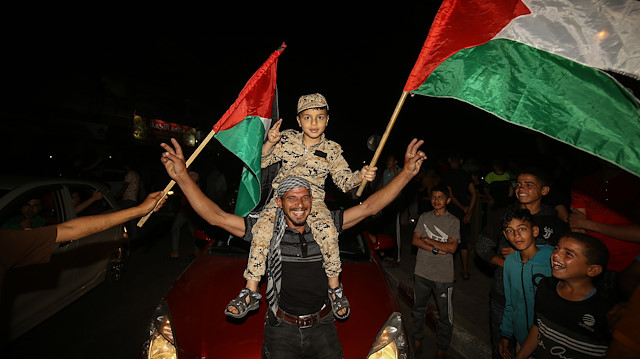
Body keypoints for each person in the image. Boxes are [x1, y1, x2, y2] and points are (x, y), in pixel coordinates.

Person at [159, 136, 426, 358]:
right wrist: (182, 177)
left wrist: (405, 174)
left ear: (312, 200)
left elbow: (369, 207)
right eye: (291, 198)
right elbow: (215, 216)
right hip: (281, 331)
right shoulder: (264, 230)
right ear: (279, 202)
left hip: (324, 327)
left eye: (304, 197)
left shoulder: (327, 226)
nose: (299, 204)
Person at [228, 93, 376, 320]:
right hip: (283, 199)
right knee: (261, 231)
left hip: (313, 201)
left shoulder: (332, 150)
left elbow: (344, 181)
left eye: (319, 117)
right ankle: (250, 291)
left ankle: (335, 290)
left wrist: (360, 176)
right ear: (298, 121)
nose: (314, 123)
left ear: (327, 119)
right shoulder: (286, 139)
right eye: (307, 118)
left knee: (328, 233)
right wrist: (269, 142)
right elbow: (262, 162)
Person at [476, 166, 570, 359]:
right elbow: (482, 245)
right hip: (504, 297)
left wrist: (527, 256)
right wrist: (507, 263)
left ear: (544, 190)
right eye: (518, 184)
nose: (521, 188)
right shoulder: (504, 215)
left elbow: (564, 261)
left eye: (529, 184)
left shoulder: (555, 222)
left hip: (542, 300)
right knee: (501, 349)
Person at [0, 192, 167, 295]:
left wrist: (140, 210)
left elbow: (71, 229)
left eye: (35, 206)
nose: (30, 210)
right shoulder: (11, 230)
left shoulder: (9, 240)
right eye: (26, 206)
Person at [513, 233, 612, 359]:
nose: (556, 255)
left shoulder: (606, 311)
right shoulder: (545, 287)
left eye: (569, 253)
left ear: (592, 270)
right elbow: (538, 326)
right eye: (556, 248)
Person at [569, 161, 640, 302]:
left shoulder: (636, 185)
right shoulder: (583, 184)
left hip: (629, 266)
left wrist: (588, 224)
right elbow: (577, 226)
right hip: (594, 264)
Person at [410, 185, 460, 358]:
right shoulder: (424, 217)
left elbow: (452, 248)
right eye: (433, 197)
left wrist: (428, 240)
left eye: (440, 197)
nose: (436, 200)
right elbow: (415, 241)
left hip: (443, 275)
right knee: (418, 309)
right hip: (422, 271)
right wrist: (438, 249)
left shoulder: (453, 221)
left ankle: (442, 348)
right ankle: (417, 340)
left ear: (447, 200)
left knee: (445, 315)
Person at [499, 208, 553, 359]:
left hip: (548, 343)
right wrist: (506, 334)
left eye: (522, 228)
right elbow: (510, 302)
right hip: (521, 340)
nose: (516, 235)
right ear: (505, 235)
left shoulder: (552, 260)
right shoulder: (510, 262)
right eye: (510, 230)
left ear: (535, 231)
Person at [443, 153, 476, 281]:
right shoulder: (466, 175)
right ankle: (465, 271)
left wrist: (463, 208)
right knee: (463, 243)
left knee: (450, 241)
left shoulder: (447, 175)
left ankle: (453, 273)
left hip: (452, 211)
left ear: (450, 159)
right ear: (461, 160)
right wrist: (469, 210)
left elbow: (450, 194)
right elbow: (474, 193)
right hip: (463, 213)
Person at [169, 170, 201, 259]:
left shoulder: (193, 175)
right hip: (184, 210)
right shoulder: (182, 175)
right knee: (175, 227)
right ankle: (175, 250)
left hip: (192, 210)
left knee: (194, 231)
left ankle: (197, 250)